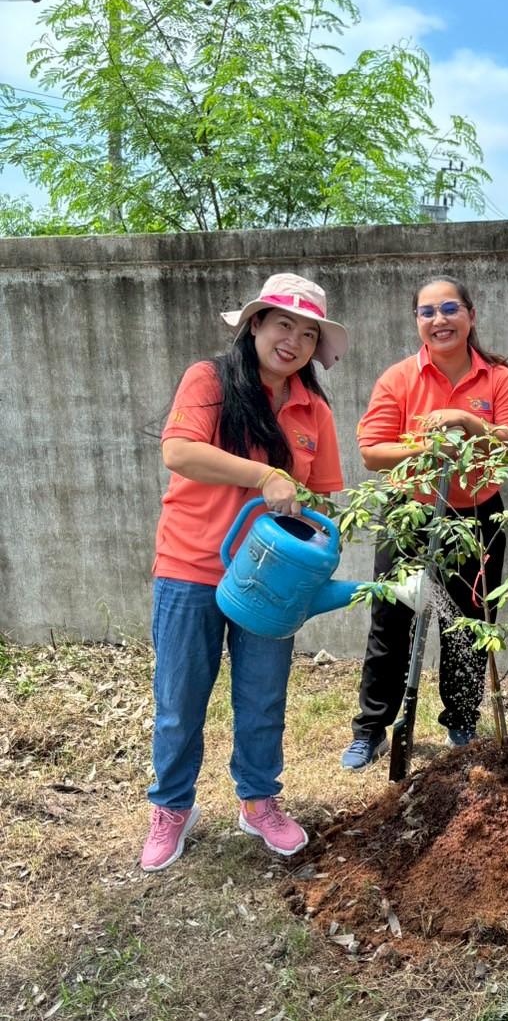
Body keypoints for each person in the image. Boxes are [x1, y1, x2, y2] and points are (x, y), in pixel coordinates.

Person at [141, 273, 346, 872]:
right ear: (255, 324)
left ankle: (259, 802)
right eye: (283, 324)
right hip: (192, 566)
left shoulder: (314, 410)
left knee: (262, 698)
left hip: (269, 581)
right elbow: (179, 452)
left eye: (309, 334)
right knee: (180, 699)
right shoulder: (210, 381)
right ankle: (173, 807)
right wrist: (262, 475)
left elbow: (324, 498)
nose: (294, 341)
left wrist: (310, 556)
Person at [342, 276, 508, 768]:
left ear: (470, 315)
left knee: (466, 623)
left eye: (449, 308)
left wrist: (471, 424)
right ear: (417, 322)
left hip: (476, 515)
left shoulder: (496, 379)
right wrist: (428, 448)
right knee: (392, 619)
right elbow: (371, 452)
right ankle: (372, 729)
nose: (439, 319)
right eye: (427, 312)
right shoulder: (399, 378)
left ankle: (461, 723)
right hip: (411, 516)